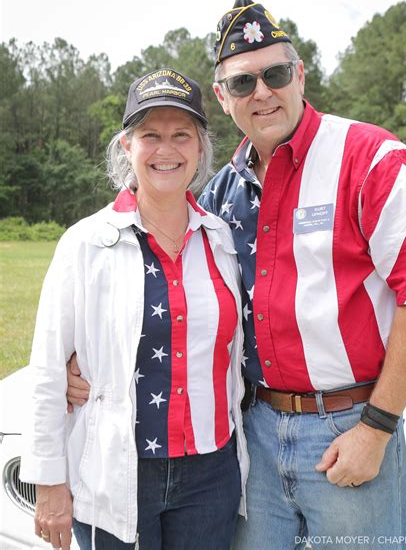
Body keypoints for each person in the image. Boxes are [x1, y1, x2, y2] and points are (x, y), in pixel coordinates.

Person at [66, 0, 406, 549]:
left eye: (275, 73)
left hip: (348, 425)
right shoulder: (221, 192)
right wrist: (81, 363)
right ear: (225, 100)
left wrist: (376, 428)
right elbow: (178, 297)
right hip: (250, 429)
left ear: (299, 75)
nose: (262, 92)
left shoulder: (371, 158)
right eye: (242, 83)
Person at [20, 67, 249, 550]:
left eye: (181, 135)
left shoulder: (221, 240)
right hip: (118, 470)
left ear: (201, 147)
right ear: (127, 146)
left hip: (211, 473)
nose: (166, 150)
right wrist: (48, 482)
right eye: (150, 135)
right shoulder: (86, 243)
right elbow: (46, 371)